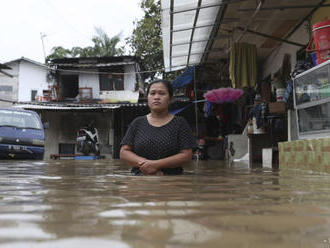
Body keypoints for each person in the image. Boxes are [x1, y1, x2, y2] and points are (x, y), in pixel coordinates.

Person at [120, 79, 196, 176]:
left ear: (170, 99)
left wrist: (156, 165)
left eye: (162, 93)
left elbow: (187, 155)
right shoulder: (137, 123)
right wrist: (147, 165)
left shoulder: (180, 123)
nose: (156, 97)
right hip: (139, 181)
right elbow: (124, 152)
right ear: (147, 97)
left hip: (171, 181)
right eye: (152, 93)